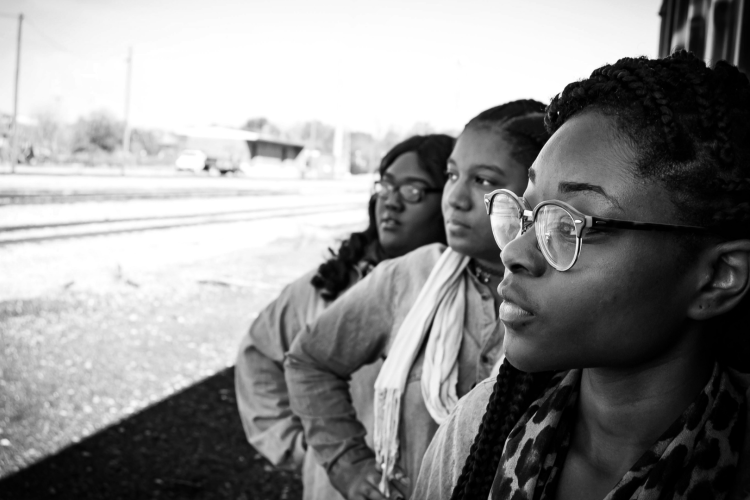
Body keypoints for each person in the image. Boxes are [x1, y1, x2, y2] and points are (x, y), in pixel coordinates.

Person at [414, 51, 750, 500]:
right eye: (528, 213)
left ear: (717, 276)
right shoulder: (481, 428)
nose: (514, 252)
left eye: (570, 224)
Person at [285, 99, 550, 500]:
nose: (455, 198)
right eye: (451, 175)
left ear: (533, 193)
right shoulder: (410, 277)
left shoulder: (565, 299)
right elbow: (309, 360)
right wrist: (349, 467)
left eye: (483, 181)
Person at [234, 134, 454, 494]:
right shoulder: (327, 286)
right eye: (385, 185)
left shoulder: (467, 295)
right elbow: (259, 356)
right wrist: (306, 447)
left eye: (413, 190)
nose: (391, 203)